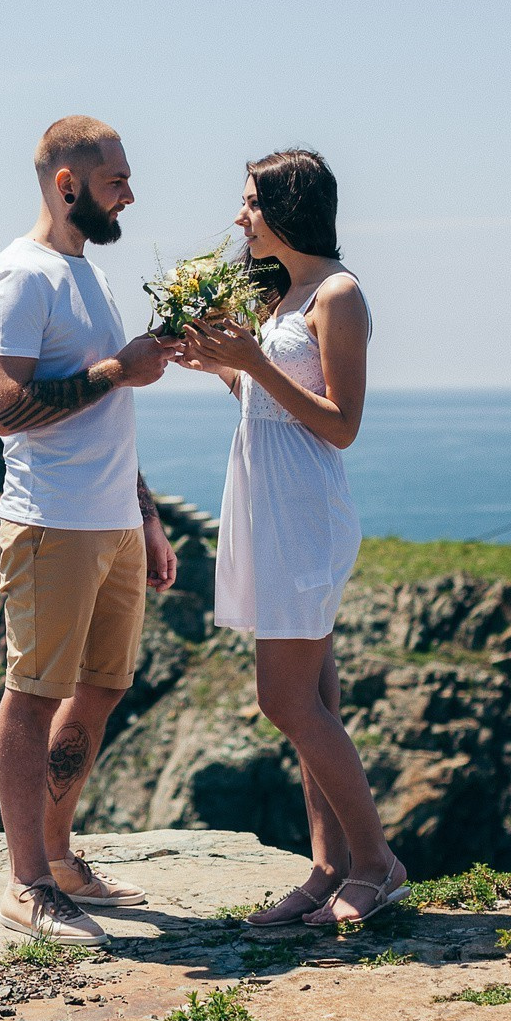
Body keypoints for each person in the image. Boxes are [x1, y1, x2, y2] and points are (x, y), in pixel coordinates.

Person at [179, 148, 408, 926]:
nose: (239, 217)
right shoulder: (288, 293)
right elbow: (269, 403)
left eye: (249, 202)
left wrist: (252, 360)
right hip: (267, 503)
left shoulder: (338, 293)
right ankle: (327, 865)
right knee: (313, 696)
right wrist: (221, 363)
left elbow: (341, 424)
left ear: (286, 207)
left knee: (283, 699)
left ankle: (377, 862)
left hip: (304, 511)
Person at [0, 115, 181, 945]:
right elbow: (3, 410)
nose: (129, 190)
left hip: (112, 525)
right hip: (51, 523)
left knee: (101, 686)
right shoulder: (19, 276)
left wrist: (149, 516)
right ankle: (25, 883)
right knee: (34, 694)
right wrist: (114, 369)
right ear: (68, 185)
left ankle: (58, 857)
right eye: (115, 179)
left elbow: (109, 414)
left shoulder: (86, 276)